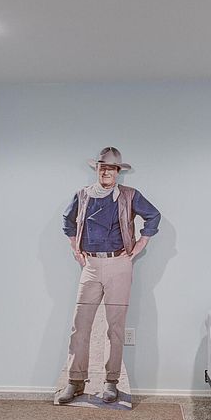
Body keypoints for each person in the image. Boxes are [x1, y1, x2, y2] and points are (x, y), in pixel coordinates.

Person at [57, 147, 161, 404]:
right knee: (80, 325)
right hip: (91, 265)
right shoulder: (82, 195)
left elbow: (153, 216)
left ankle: (111, 381)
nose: (106, 172)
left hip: (119, 265)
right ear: (97, 169)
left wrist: (139, 246)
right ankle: (75, 381)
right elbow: (67, 221)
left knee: (115, 327)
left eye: (111, 169)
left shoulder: (129, 195)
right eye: (103, 167)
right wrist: (75, 248)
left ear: (118, 172)